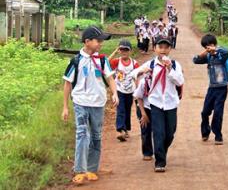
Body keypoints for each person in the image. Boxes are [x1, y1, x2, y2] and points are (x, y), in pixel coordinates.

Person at [62, 26, 119, 185]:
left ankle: (92, 169)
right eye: (98, 40)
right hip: (80, 102)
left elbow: (110, 79)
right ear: (87, 42)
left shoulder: (103, 60)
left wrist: (115, 93)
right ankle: (79, 170)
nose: (100, 43)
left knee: (96, 135)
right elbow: (67, 83)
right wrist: (65, 107)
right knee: (82, 134)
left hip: (98, 103)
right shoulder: (76, 61)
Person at [132, 36, 184, 172]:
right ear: (155, 48)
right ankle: (160, 162)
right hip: (155, 103)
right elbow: (133, 74)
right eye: (160, 47)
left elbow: (179, 81)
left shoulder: (175, 65)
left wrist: (169, 70)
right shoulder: (150, 64)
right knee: (158, 132)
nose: (163, 50)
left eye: (166, 47)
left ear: (170, 49)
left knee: (170, 133)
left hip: (171, 103)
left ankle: (161, 150)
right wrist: (141, 72)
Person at [193, 34, 228, 145]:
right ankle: (205, 132)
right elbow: (195, 60)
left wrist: (216, 49)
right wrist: (203, 54)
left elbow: (226, 51)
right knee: (204, 112)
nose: (208, 48)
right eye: (206, 46)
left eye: (210, 45)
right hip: (211, 88)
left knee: (218, 113)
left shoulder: (221, 56)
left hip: (222, 88)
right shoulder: (208, 57)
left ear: (214, 44)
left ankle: (218, 136)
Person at [109, 40, 140, 142]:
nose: (124, 52)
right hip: (119, 90)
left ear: (130, 51)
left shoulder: (134, 64)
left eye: (126, 50)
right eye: (121, 50)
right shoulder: (117, 61)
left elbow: (137, 78)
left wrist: (137, 92)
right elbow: (106, 62)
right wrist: (114, 52)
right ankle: (120, 130)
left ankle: (126, 129)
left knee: (127, 110)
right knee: (121, 109)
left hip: (130, 91)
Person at [134, 72, 154, 161]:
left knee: (158, 131)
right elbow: (138, 97)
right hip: (143, 107)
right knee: (145, 129)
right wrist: (143, 113)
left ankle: (159, 151)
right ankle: (147, 152)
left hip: (156, 108)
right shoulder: (145, 81)